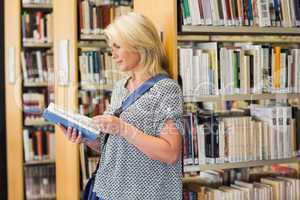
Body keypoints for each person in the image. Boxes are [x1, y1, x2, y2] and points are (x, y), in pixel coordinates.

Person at [59, 12, 184, 200]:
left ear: (139, 45)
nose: (113, 54)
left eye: (117, 47)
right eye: (111, 47)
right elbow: (111, 145)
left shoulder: (166, 89)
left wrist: (122, 128)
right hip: (108, 191)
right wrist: (85, 137)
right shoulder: (121, 87)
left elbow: (171, 153)